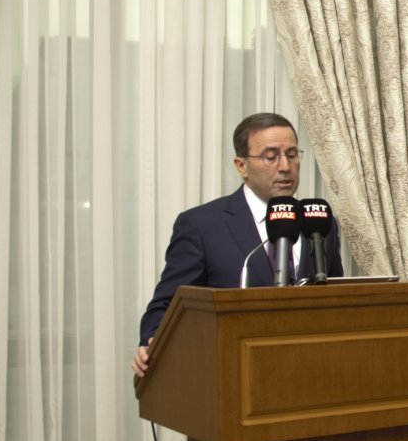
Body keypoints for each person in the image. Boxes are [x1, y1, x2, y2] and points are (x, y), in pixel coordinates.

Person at [132, 113, 344, 378]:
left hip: (312, 374)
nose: (285, 166)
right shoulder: (202, 226)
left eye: (292, 154)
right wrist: (153, 340)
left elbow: (339, 300)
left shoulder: (319, 222)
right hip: (233, 376)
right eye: (271, 156)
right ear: (241, 165)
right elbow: (166, 306)